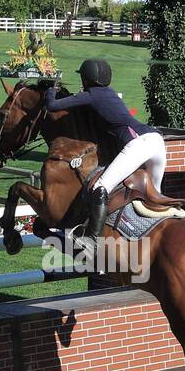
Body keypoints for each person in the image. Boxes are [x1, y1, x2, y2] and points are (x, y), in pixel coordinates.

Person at [42, 58, 166, 241]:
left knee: (100, 188)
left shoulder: (91, 94)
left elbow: (52, 106)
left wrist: (51, 91)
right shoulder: (110, 93)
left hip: (139, 144)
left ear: (86, 78)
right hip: (157, 141)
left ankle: (94, 239)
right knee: (154, 197)